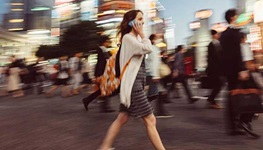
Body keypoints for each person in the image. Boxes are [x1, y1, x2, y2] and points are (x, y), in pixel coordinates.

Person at [98, 10, 165, 150]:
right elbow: (148, 48)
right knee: (150, 120)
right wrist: (142, 34)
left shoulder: (133, 40)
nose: (143, 22)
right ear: (131, 22)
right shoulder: (128, 38)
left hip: (135, 84)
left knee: (122, 118)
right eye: (140, 18)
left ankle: (105, 146)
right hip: (133, 86)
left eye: (143, 18)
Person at [220, 9, 253, 135]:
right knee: (247, 93)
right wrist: (241, 69)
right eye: (237, 16)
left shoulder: (224, 34)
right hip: (237, 70)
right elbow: (236, 54)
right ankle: (243, 120)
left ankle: (234, 125)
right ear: (233, 17)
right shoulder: (234, 33)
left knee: (233, 96)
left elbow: (224, 56)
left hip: (229, 71)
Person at [82, 35, 114, 113]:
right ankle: (104, 107)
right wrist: (99, 74)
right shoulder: (101, 49)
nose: (108, 42)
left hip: (103, 72)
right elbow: (100, 63)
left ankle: (87, 100)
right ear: (104, 42)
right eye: (107, 41)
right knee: (105, 89)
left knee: (103, 90)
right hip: (102, 73)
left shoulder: (103, 49)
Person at [146, 34, 172, 118]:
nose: (158, 40)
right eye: (157, 39)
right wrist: (155, 75)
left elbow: (148, 62)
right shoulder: (153, 49)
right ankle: (159, 111)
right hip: (153, 74)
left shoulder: (149, 48)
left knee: (156, 93)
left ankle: (160, 111)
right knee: (155, 94)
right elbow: (154, 63)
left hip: (150, 73)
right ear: (153, 40)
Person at [205, 30, 223, 109]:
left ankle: (212, 100)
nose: (218, 35)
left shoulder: (217, 43)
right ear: (213, 35)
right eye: (217, 34)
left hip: (216, 69)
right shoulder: (212, 44)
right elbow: (215, 58)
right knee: (218, 85)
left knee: (217, 85)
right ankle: (211, 100)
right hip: (214, 69)